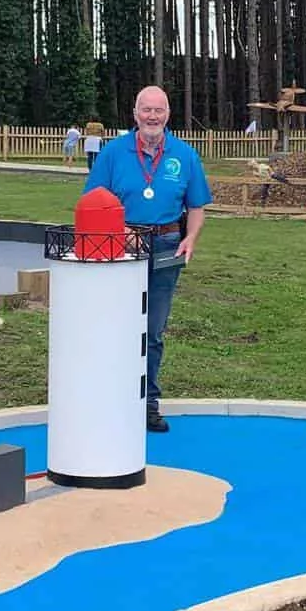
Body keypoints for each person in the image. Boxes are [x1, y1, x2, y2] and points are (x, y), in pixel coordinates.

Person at [84, 85, 212, 433]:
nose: (152, 116)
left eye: (159, 110)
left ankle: (148, 401)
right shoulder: (113, 153)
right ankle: (112, 398)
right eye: (146, 110)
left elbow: (197, 206)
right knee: (118, 327)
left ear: (168, 114)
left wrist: (191, 238)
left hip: (167, 244)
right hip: (121, 246)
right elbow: (93, 201)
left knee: (153, 330)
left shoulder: (185, 155)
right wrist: (114, 230)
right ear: (135, 113)